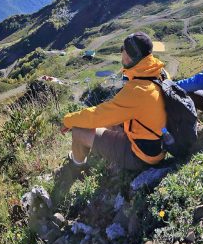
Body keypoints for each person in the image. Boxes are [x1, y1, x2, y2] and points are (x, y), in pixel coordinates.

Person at [58, 32, 168, 179]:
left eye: (123, 49)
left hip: (142, 156)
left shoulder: (138, 90)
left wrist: (68, 120)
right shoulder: (159, 73)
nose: (121, 52)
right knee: (106, 124)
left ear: (129, 56)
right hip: (157, 143)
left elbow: (98, 115)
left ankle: (76, 165)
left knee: (78, 130)